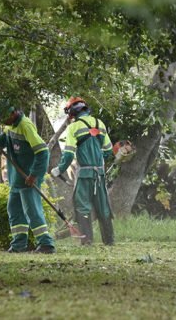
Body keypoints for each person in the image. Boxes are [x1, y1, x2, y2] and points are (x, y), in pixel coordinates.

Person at [0, 101, 56, 254]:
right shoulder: (10, 126)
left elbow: (43, 152)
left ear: (13, 114)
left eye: (6, 119)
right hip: (16, 178)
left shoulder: (26, 126)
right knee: (14, 209)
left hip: (28, 178)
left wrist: (34, 175)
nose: (4, 122)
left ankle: (46, 244)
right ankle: (19, 244)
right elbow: (6, 140)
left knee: (32, 211)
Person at [51, 97, 115, 245]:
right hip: (99, 174)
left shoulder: (74, 128)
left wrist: (59, 169)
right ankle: (109, 241)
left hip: (84, 173)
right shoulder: (100, 124)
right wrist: (98, 159)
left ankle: (87, 241)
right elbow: (108, 151)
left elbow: (68, 155)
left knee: (82, 207)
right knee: (103, 206)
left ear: (72, 112)